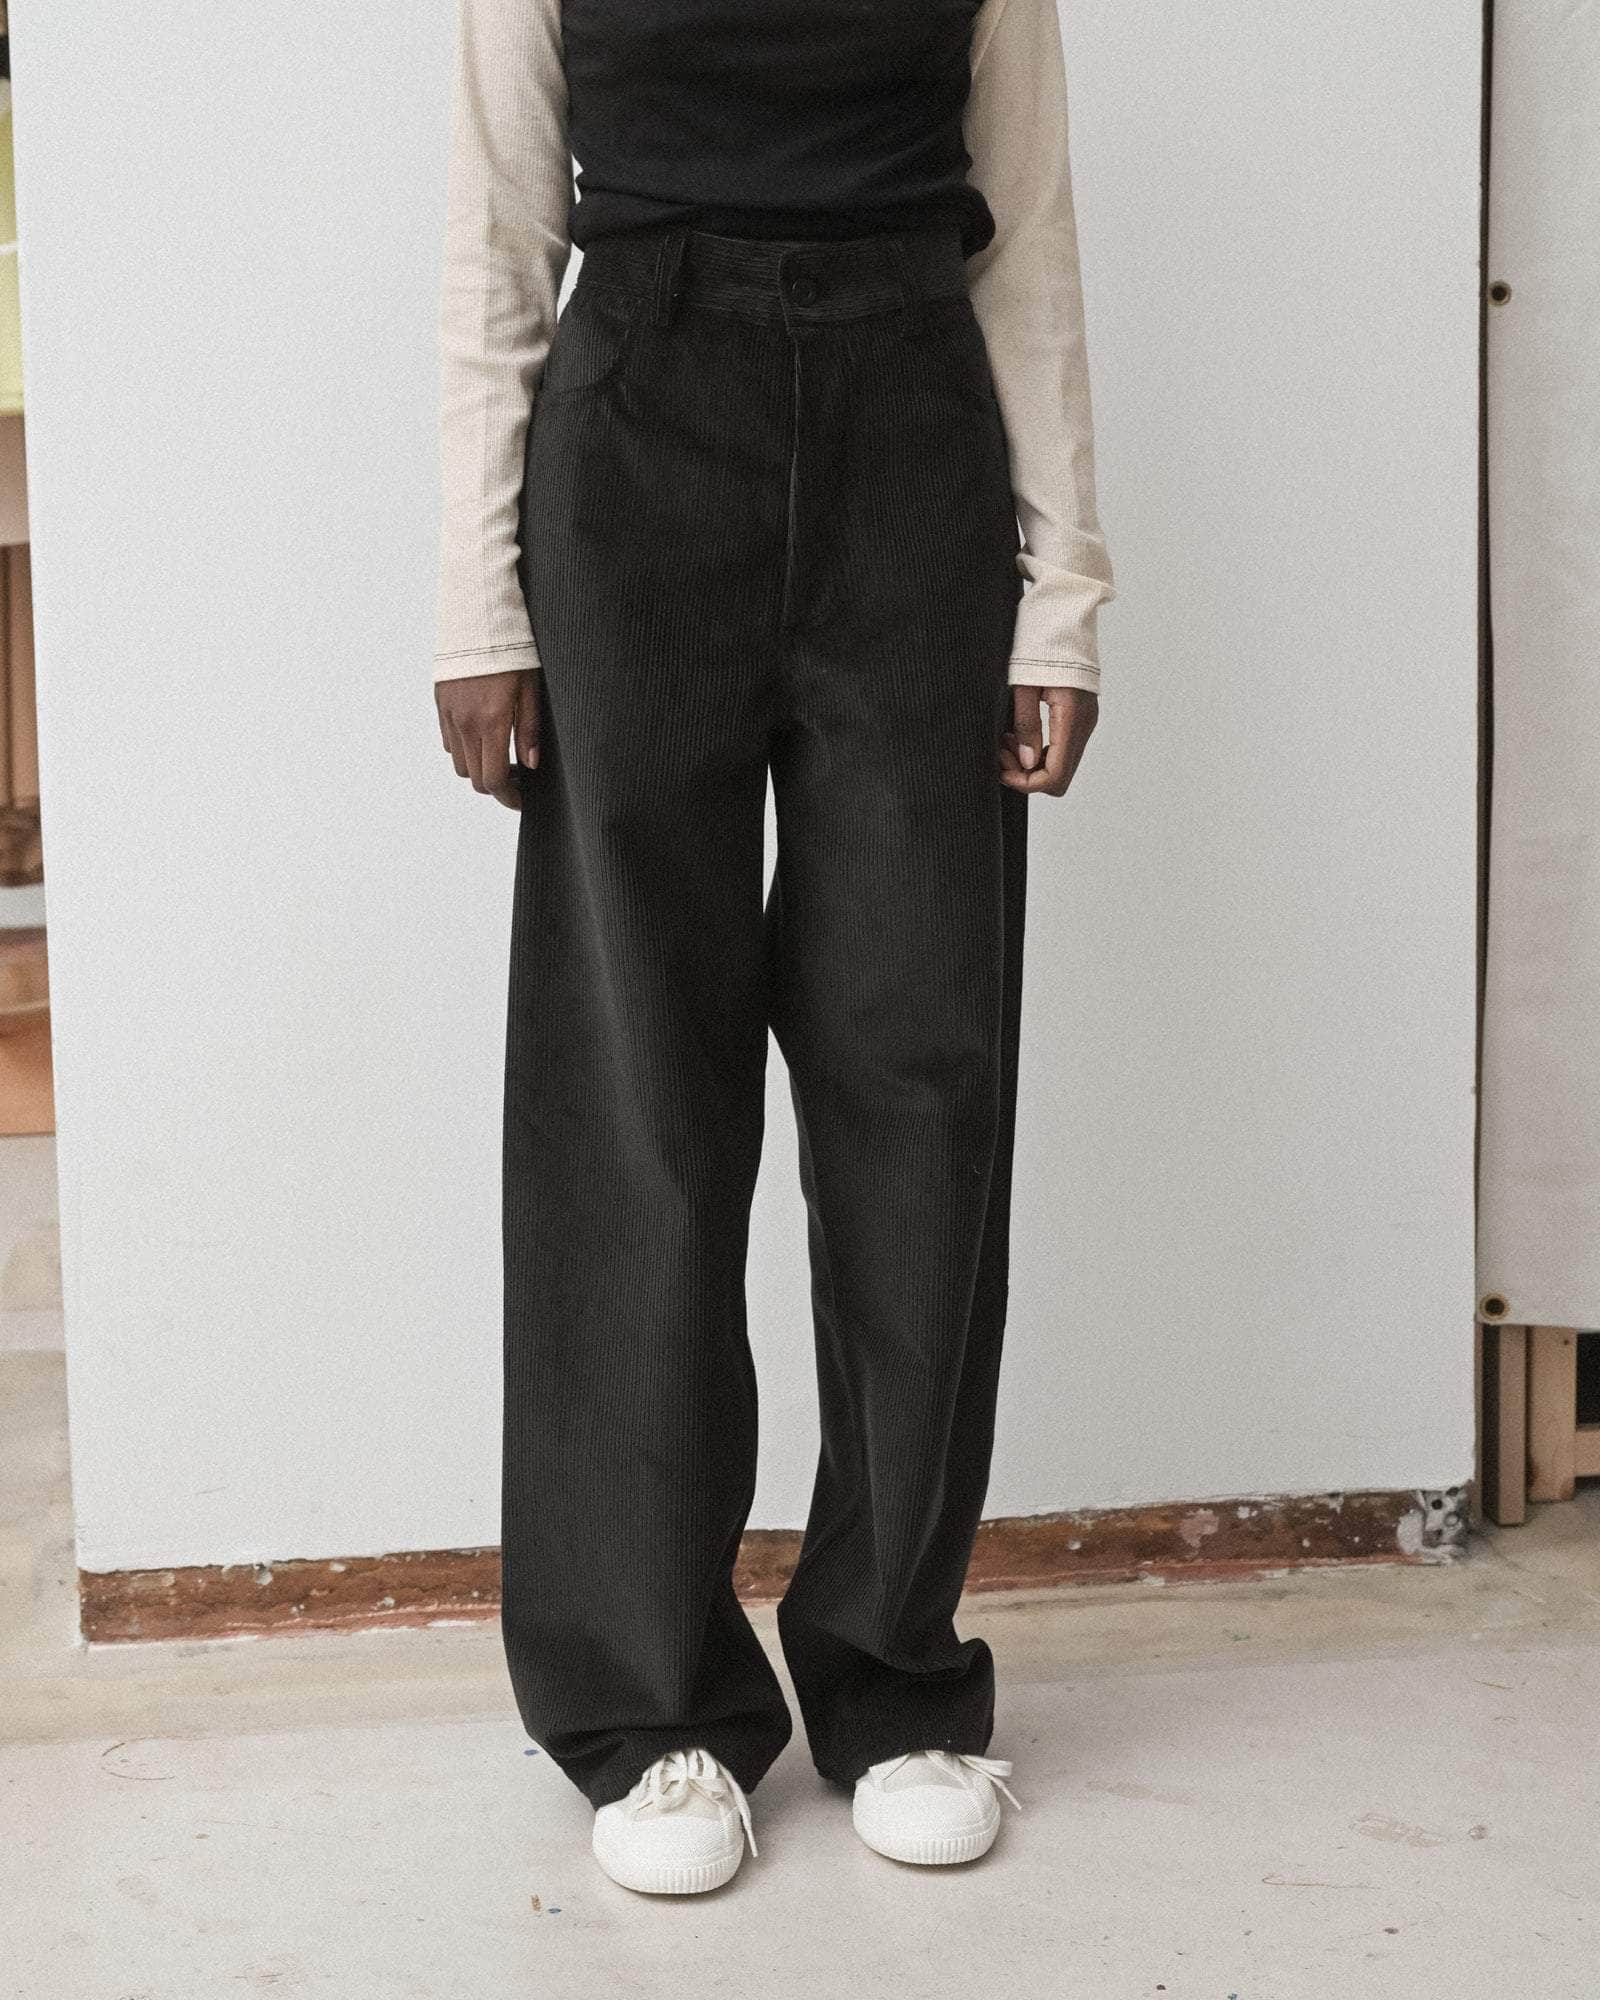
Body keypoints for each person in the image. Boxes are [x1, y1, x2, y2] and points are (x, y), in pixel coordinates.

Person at [432, 0, 1115, 1897]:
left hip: (915, 440)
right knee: (637, 1096)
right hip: (638, 448)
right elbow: (499, 232)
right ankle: (651, 1708)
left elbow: (1028, 231)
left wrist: (1060, 594)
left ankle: (895, 1677)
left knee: (919, 1072)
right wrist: (475, 599)